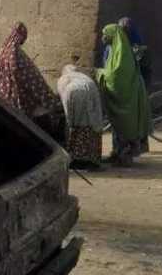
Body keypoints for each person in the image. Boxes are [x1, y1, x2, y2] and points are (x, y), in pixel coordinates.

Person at [0, 22, 65, 142]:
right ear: (21, 36)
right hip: (19, 96)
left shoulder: (3, 50)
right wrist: (45, 94)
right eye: (23, 37)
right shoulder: (16, 53)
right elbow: (28, 77)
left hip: (4, 96)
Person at [97, 24, 151, 165]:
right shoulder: (115, 49)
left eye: (105, 34)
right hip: (126, 94)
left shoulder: (123, 54)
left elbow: (116, 75)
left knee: (126, 125)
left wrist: (98, 73)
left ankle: (125, 156)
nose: (103, 38)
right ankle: (117, 153)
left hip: (128, 95)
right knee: (118, 125)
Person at [57, 63, 105, 169]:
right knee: (91, 124)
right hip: (89, 91)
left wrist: (68, 120)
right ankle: (90, 158)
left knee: (74, 125)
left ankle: (75, 157)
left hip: (71, 92)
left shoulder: (62, 78)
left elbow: (62, 99)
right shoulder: (85, 78)